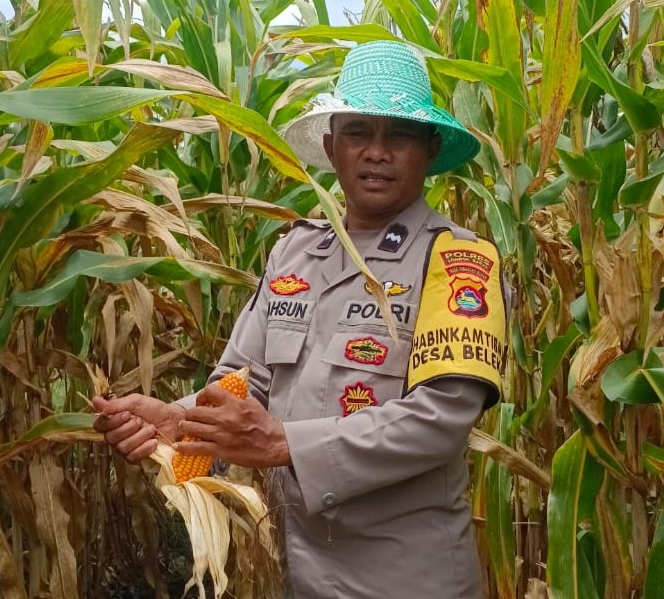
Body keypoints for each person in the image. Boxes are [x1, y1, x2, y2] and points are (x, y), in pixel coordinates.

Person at [92, 40, 508, 599]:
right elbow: (245, 381)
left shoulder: (457, 262)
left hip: (407, 577)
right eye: (358, 133)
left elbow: (440, 418)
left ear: (430, 150)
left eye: (399, 136)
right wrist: (180, 420)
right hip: (301, 573)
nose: (377, 152)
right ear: (332, 147)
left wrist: (283, 444)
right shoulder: (295, 252)